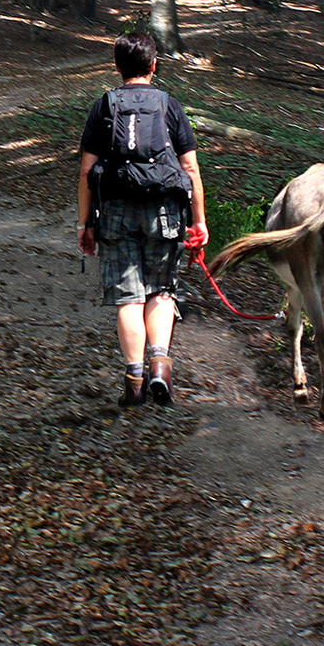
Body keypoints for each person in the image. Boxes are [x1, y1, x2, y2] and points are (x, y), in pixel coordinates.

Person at [76, 32, 208, 407]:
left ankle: (134, 380)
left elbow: (87, 172)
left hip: (116, 212)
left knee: (127, 299)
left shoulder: (104, 106)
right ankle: (161, 366)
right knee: (162, 291)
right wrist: (198, 221)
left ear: (117, 68)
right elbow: (191, 169)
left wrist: (85, 223)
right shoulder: (170, 106)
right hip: (165, 212)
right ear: (154, 65)